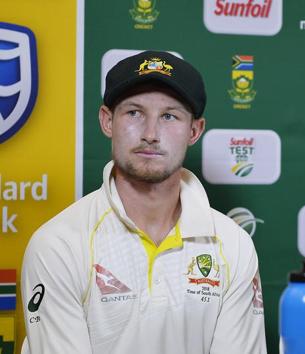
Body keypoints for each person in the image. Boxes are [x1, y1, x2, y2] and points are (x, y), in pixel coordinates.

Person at [21, 51, 267, 354]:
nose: (151, 134)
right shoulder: (58, 244)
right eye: (134, 113)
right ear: (107, 121)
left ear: (194, 130)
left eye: (169, 116)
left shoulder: (234, 245)